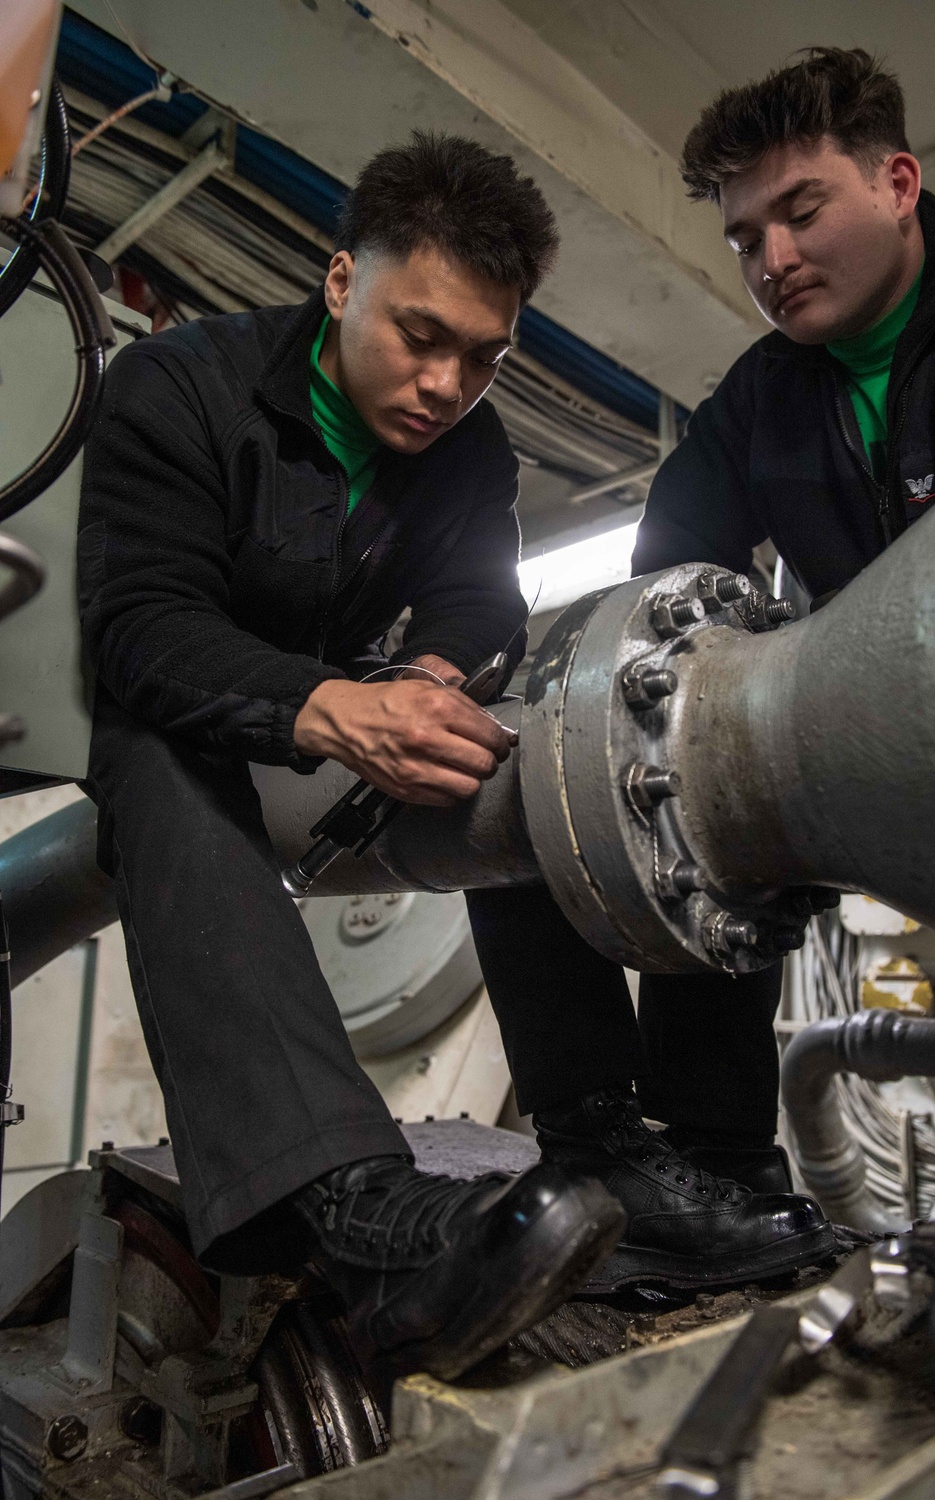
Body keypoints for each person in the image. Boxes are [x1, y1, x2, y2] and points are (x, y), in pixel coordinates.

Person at [78, 131, 626, 1393]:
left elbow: (482, 602)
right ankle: (355, 1211)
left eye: (482, 358)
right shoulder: (178, 385)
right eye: (418, 335)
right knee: (154, 753)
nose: (444, 385)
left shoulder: (471, 453)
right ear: (339, 283)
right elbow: (140, 632)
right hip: (203, 721)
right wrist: (329, 706)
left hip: (331, 735)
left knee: (524, 751)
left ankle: (607, 1149)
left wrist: (435, 675)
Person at [470, 45, 935, 1290]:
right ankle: (690, 1164)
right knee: (665, 753)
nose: (772, 260)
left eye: (800, 211)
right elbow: (645, 627)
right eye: (744, 238)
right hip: (912, 753)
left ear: (901, 182)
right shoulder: (758, 404)